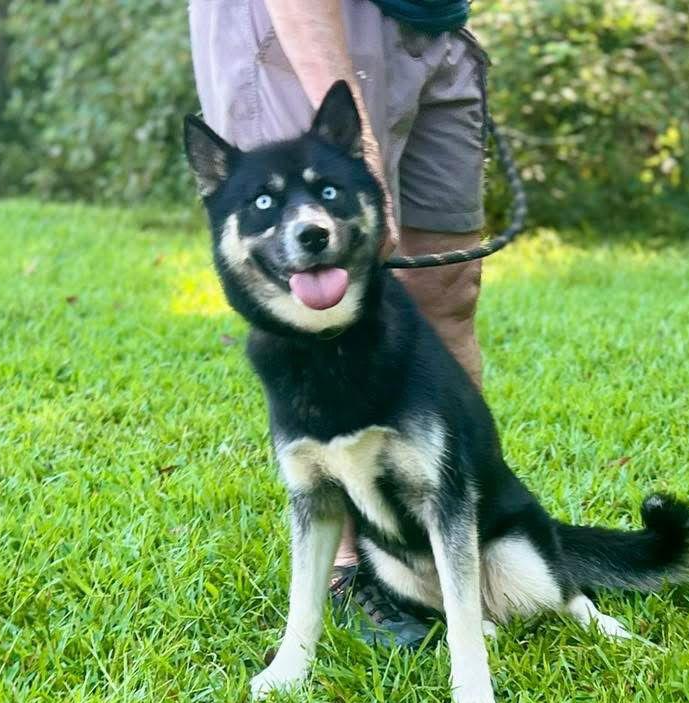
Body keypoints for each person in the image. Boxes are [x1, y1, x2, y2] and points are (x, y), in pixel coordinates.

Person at [189, 0, 488, 647]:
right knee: (310, 290)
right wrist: (362, 143)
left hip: (433, 23)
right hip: (305, 22)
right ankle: (351, 571)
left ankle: (453, 536)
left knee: (448, 284)